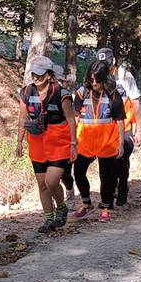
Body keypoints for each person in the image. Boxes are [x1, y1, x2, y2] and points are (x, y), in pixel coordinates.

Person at [17, 56, 77, 232]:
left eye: (40, 75)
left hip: (59, 143)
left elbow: (71, 120)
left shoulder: (62, 94)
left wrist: (73, 143)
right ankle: (48, 219)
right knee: (42, 183)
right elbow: (22, 118)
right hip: (37, 143)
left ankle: (61, 207)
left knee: (52, 181)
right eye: (34, 74)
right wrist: (19, 141)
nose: (36, 78)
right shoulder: (26, 92)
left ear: (50, 75)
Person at [71, 61, 125, 222]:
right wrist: (72, 142)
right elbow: (75, 117)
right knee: (79, 172)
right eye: (91, 80)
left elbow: (120, 120)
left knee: (107, 177)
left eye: (98, 80)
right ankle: (86, 203)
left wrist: (121, 143)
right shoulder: (82, 93)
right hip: (85, 142)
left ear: (105, 79)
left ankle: (106, 207)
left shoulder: (113, 95)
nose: (94, 83)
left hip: (107, 142)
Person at [52, 65, 78, 210]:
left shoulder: (67, 96)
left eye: (61, 81)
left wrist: (73, 142)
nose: (60, 84)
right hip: (49, 141)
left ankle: (69, 194)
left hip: (65, 140)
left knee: (65, 173)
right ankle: (55, 200)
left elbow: (71, 120)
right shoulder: (44, 96)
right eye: (57, 80)